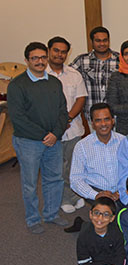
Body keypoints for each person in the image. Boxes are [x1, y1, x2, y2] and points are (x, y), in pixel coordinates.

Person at [8, 42, 69, 234]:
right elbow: (18, 118)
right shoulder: (17, 85)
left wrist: (56, 134)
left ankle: (51, 214)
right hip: (29, 142)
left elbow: (62, 111)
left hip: (54, 140)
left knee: (54, 179)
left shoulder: (54, 82)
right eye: (35, 58)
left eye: (43, 57)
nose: (40, 61)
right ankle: (33, 219)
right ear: (26, 60)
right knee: (30, 183)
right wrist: (45, 136)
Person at [46, 36, 88, 214]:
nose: (59, 54)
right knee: (57, 168)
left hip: (73, 129)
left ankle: (75, 194)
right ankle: (63, 198)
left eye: (63, 51)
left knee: (74, 165)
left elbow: (81, 99)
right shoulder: (42, 74)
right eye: (56, 50)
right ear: (49, 51)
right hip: (50, 131)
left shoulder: (74, 74)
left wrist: (68, 118)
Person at [70, 103, 125, 205]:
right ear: (92, 123)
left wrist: (122, 192)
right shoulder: (82, 146)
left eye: (107, 119)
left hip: (122, 191)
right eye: (98, 120)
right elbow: (75, 179)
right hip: (96, 192)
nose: (103, 124)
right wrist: (95, 195)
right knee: (106, 217)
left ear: (113, 120)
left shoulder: (124, 141)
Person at [70, 26, 120, 121]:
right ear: (91, 42)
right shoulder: (82, 60)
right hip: (91, 118)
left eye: (105, 40)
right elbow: (67, 75)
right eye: (98, 41)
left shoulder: (120, 59)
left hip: (116, 116)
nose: (102, 44)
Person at [76, 197, 126, 265]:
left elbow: (120, 258)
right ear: (90, 214)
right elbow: (84, 264)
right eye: (96, 213)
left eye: (106, 214)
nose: (100, 218)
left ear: (112, 218)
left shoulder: (117, 232)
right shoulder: (84, 236)